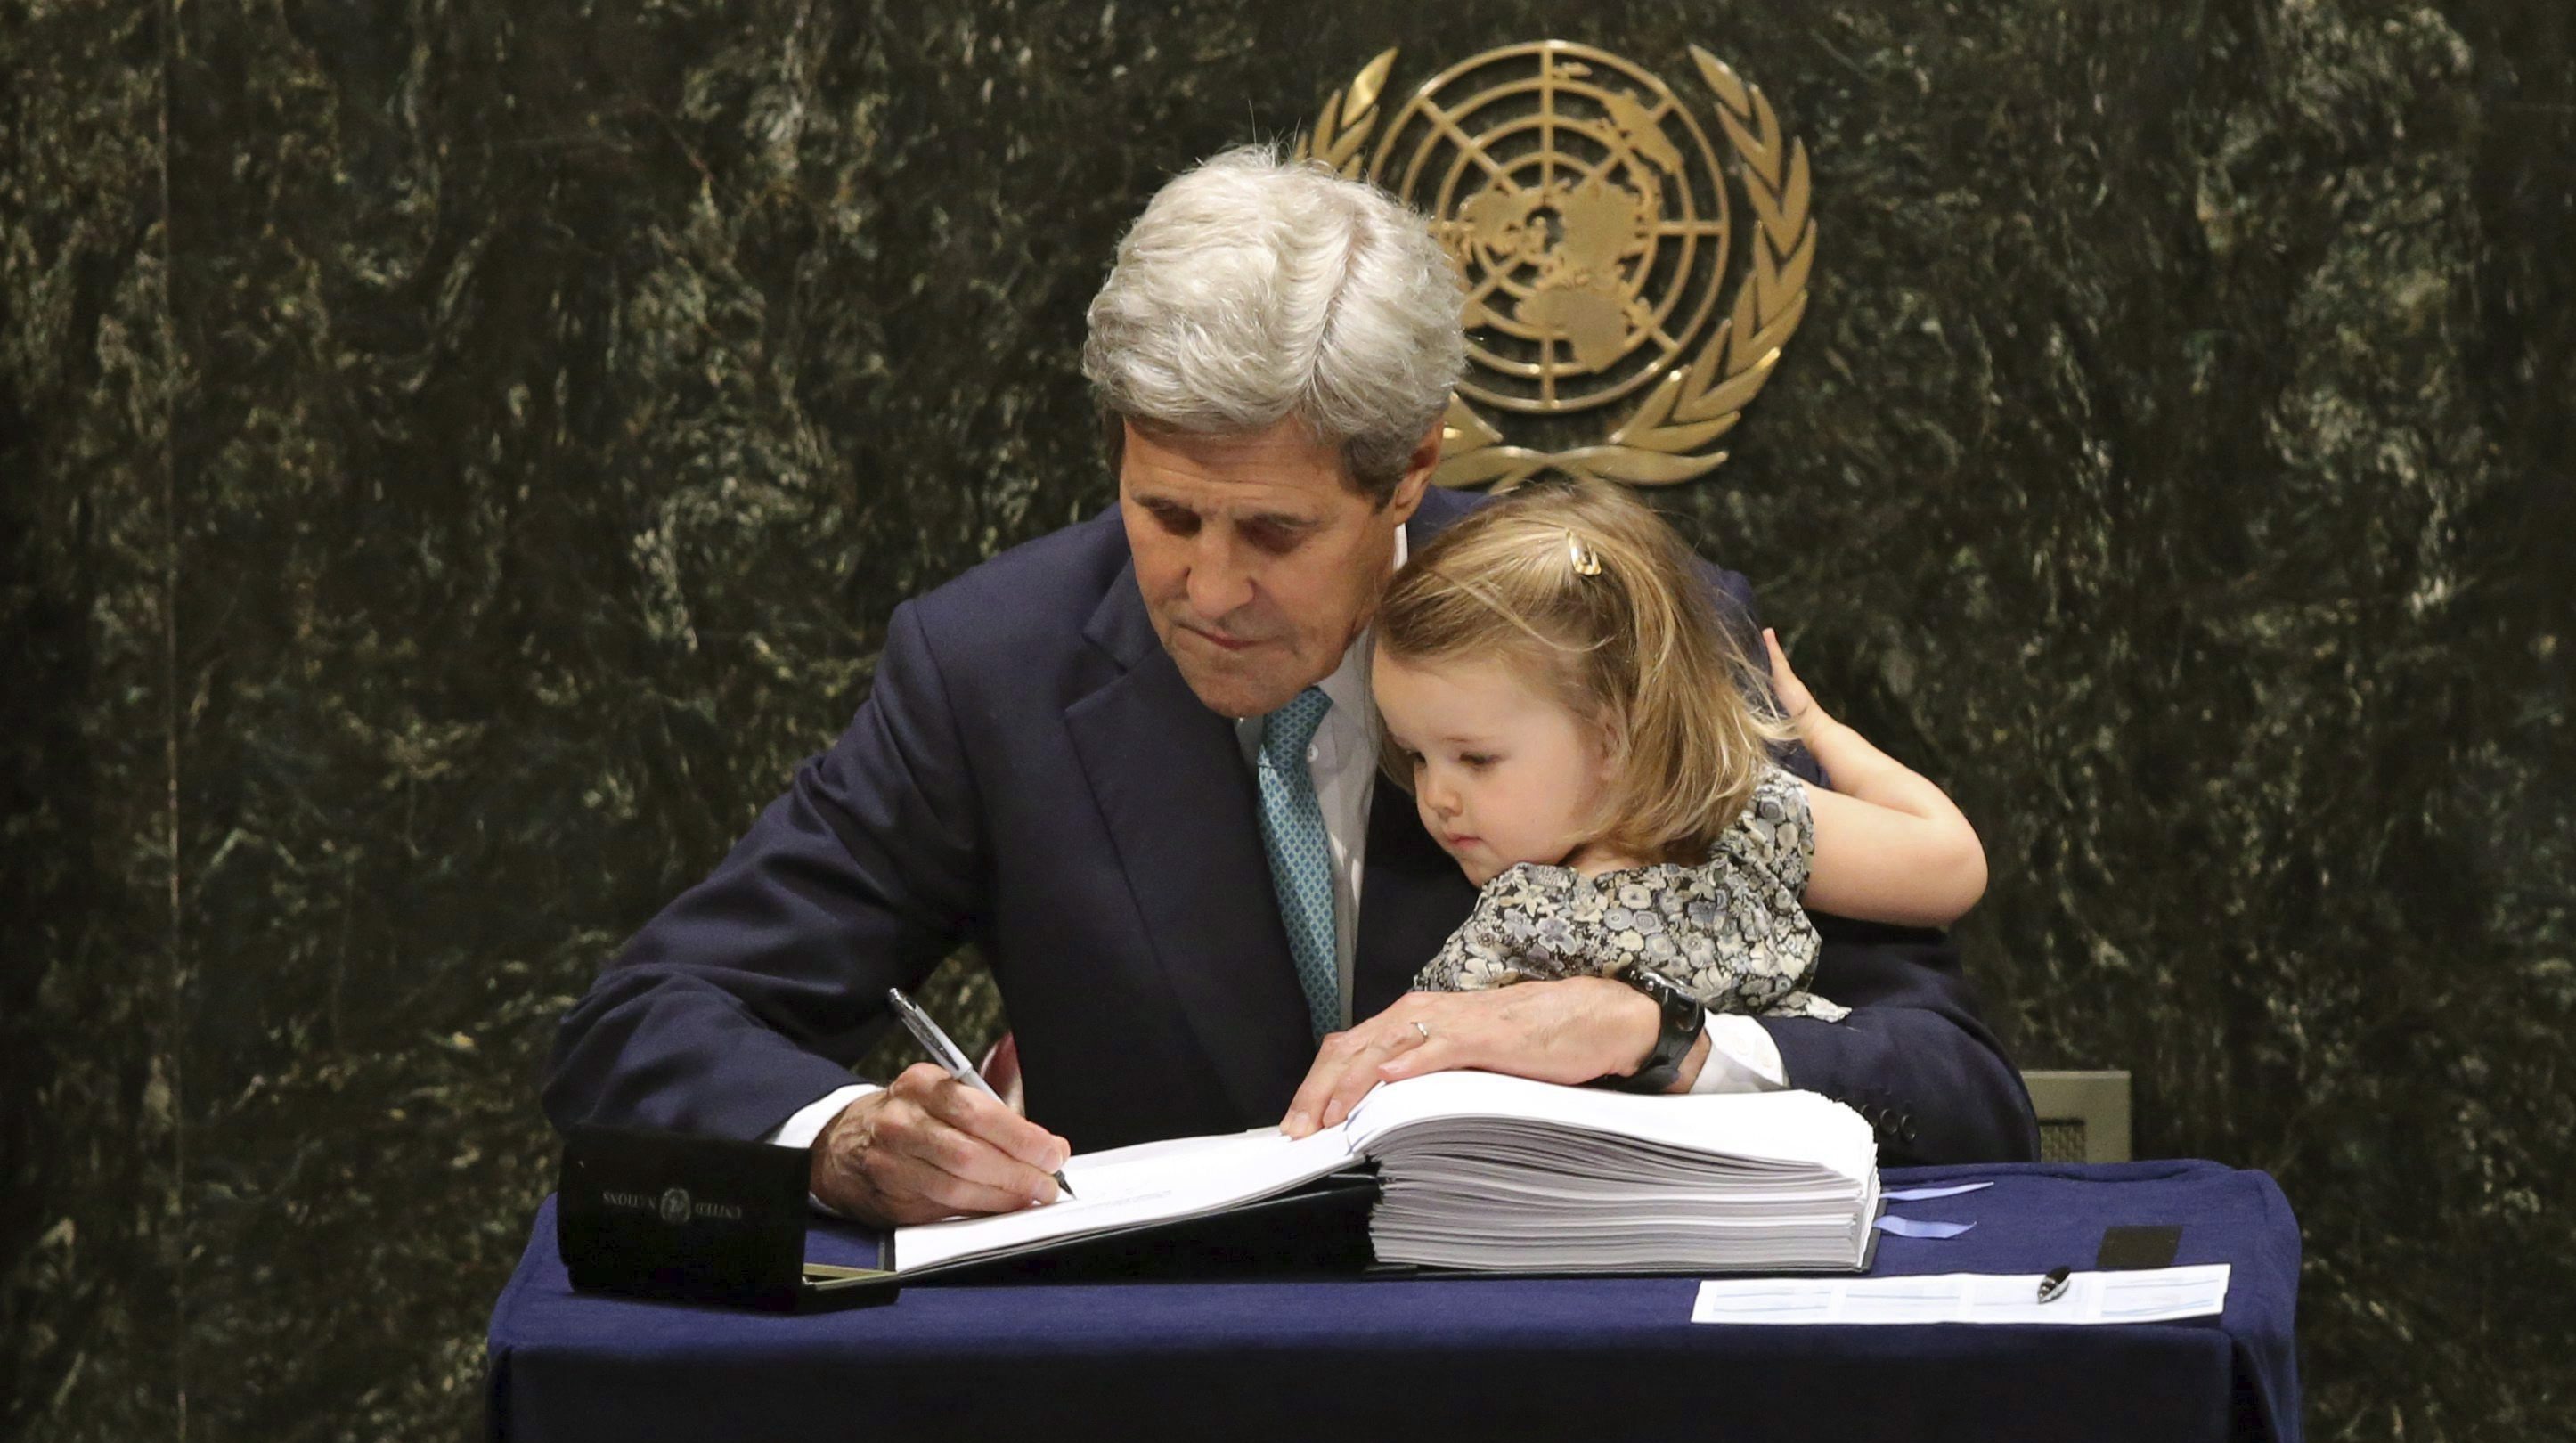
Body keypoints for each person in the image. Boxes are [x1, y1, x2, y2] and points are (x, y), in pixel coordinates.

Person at [541, 145, 2037, 1231]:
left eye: (1272, 533)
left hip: (1589, 1414)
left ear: (1410, 472)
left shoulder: (1614, 629)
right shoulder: (987, 669)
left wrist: (1654, 1041)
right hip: (1152, 1425)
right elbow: (653, 1017)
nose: (1202, 587)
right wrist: (842, 1131)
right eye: (1162, 515)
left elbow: (1957, 1090)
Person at [1359, 479, 1985, 1098]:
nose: (1436, 796)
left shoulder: (1740, 817)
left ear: (1612, 738)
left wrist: (1820, 730)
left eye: (1476, 758)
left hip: (1790, 1165)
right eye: (1416, 756)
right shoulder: (1507, 922)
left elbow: (1949, 868)